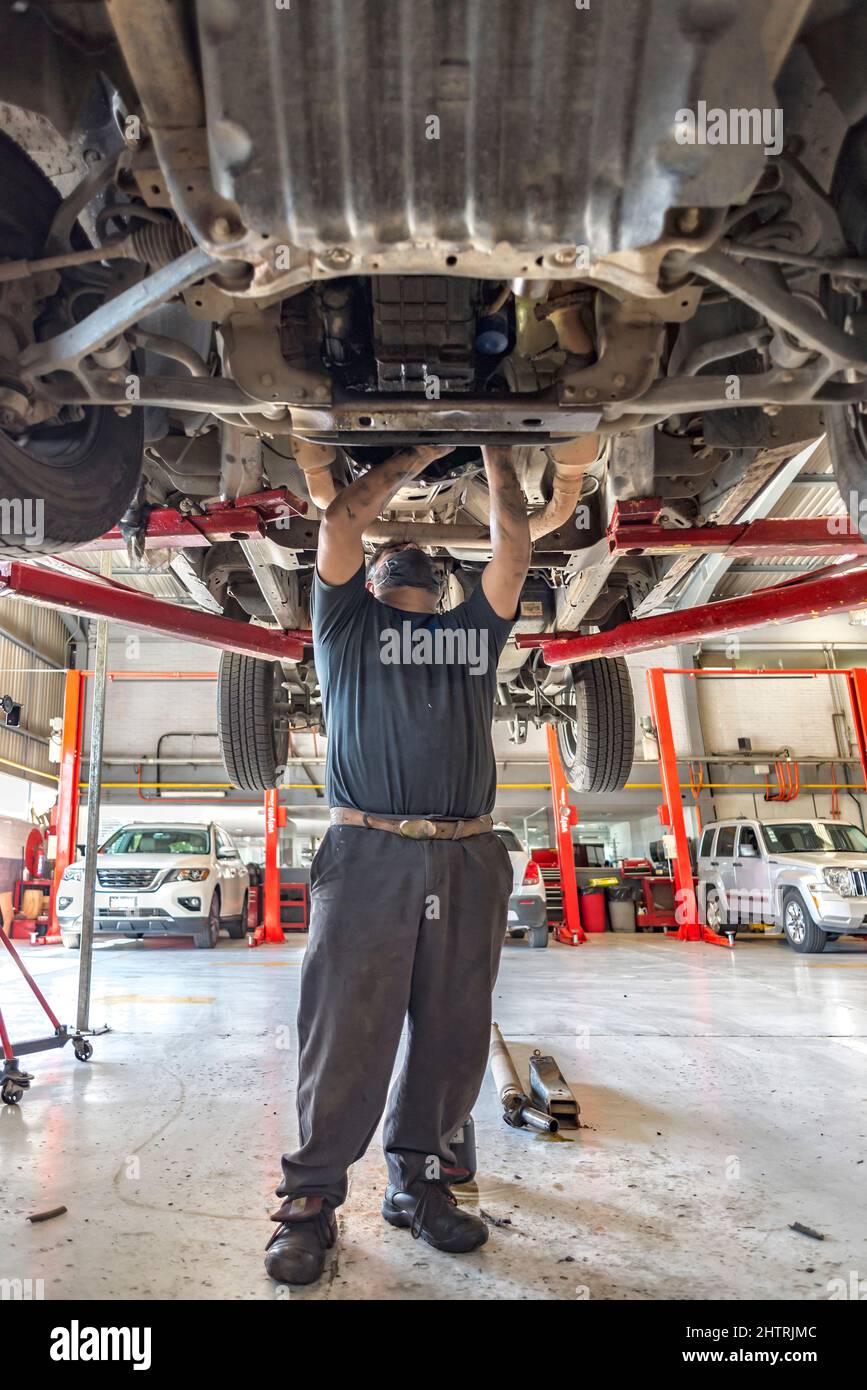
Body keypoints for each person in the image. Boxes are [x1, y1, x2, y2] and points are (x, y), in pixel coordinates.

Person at [265, 444, 531, 1285]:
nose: (398, 559)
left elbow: (515, 545)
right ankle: (309, 1201)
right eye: (386, 557)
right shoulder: (345, 626)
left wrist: (494, 444)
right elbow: (340, 517)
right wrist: (420, 447)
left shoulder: (468, 635)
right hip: (369, 850)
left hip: (467, 854)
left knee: (453, 1033)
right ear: (371, 581)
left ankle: (418, 1180)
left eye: (406, 558)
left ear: (441, 587)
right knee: (348, 1029)